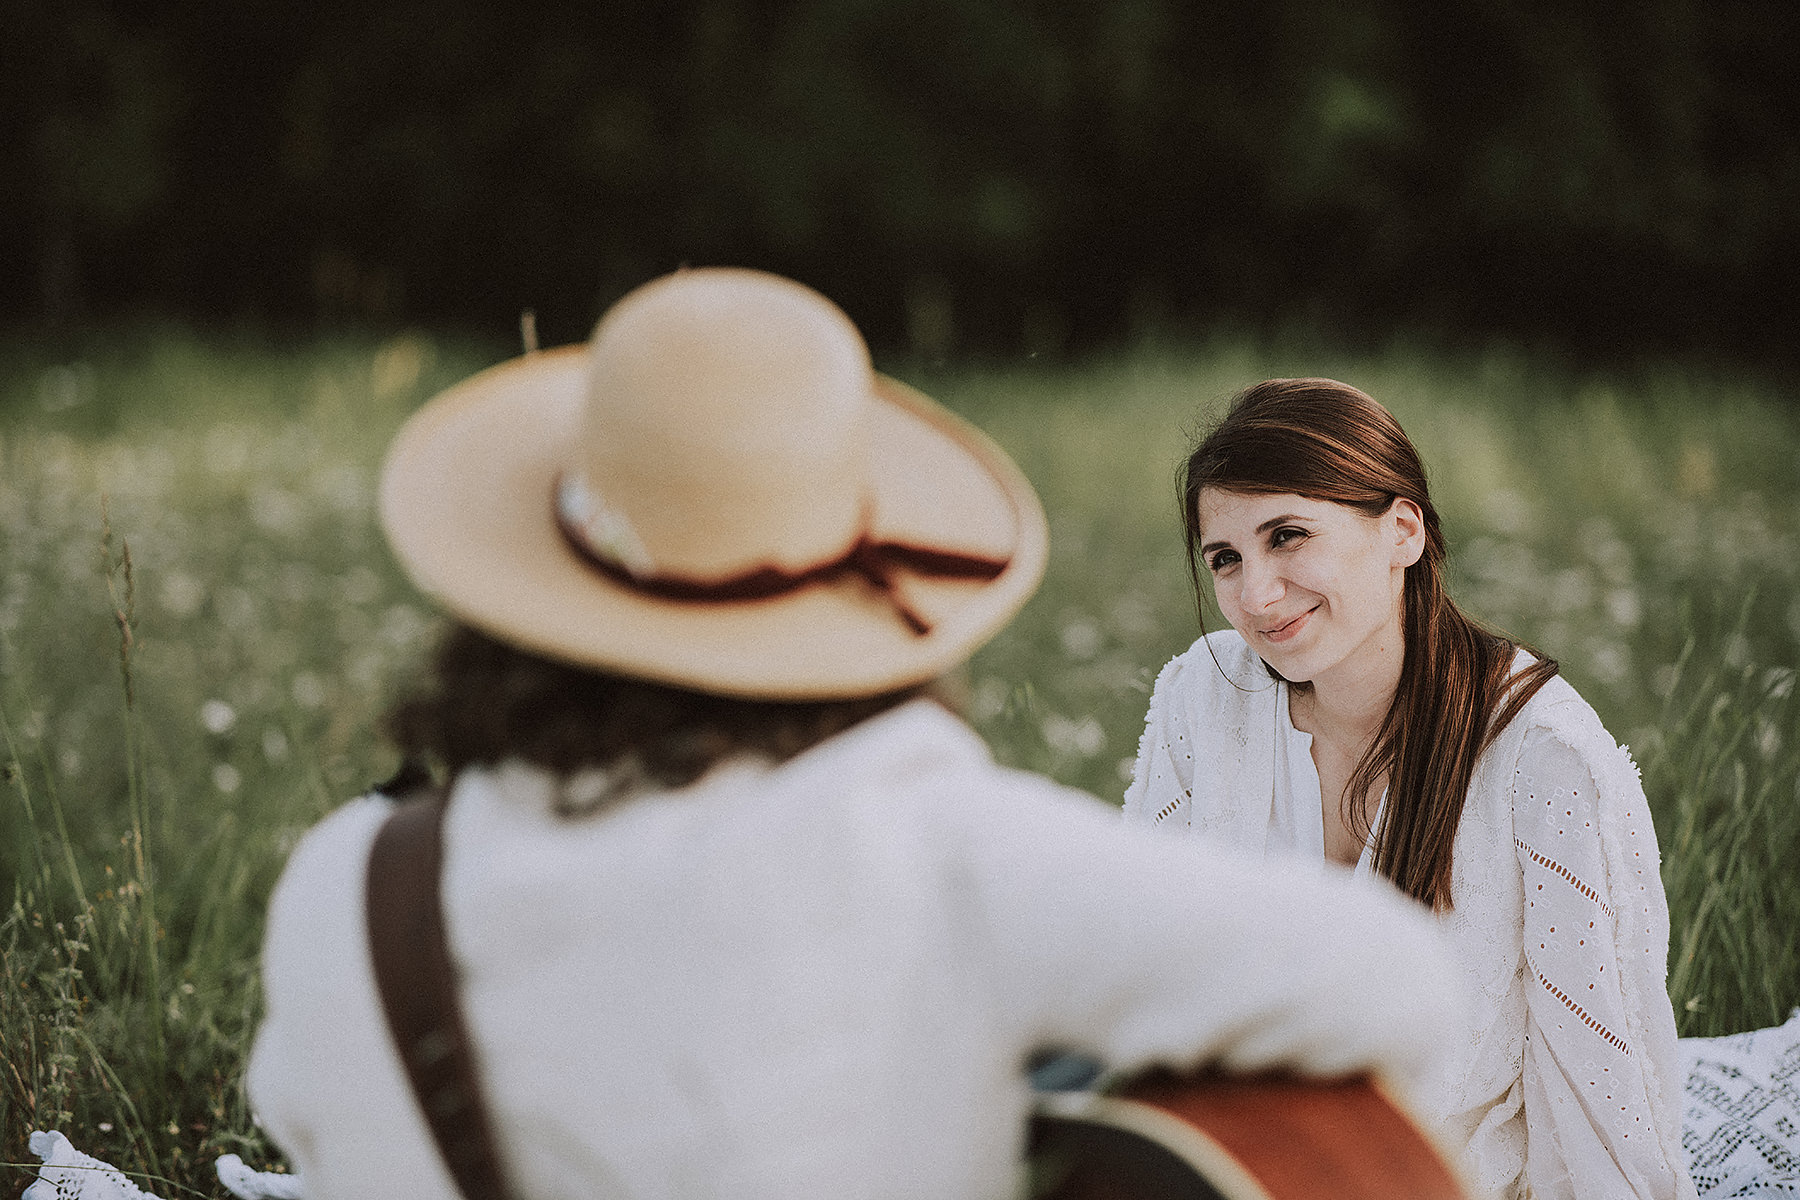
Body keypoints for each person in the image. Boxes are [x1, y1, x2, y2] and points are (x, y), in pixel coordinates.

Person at [238, 272, 1464, 1200]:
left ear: (525, 585)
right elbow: (1403, 982)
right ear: (860, 585)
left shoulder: (349, 886)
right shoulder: (940, 852)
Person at [1124, 377, 1697, 1200]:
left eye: (1288, 536)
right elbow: (1151, 989)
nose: (1256, 595)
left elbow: (1600, 1095)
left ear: (1403, 532)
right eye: (1227, 559)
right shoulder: (1204, 695)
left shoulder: (1542, 756)